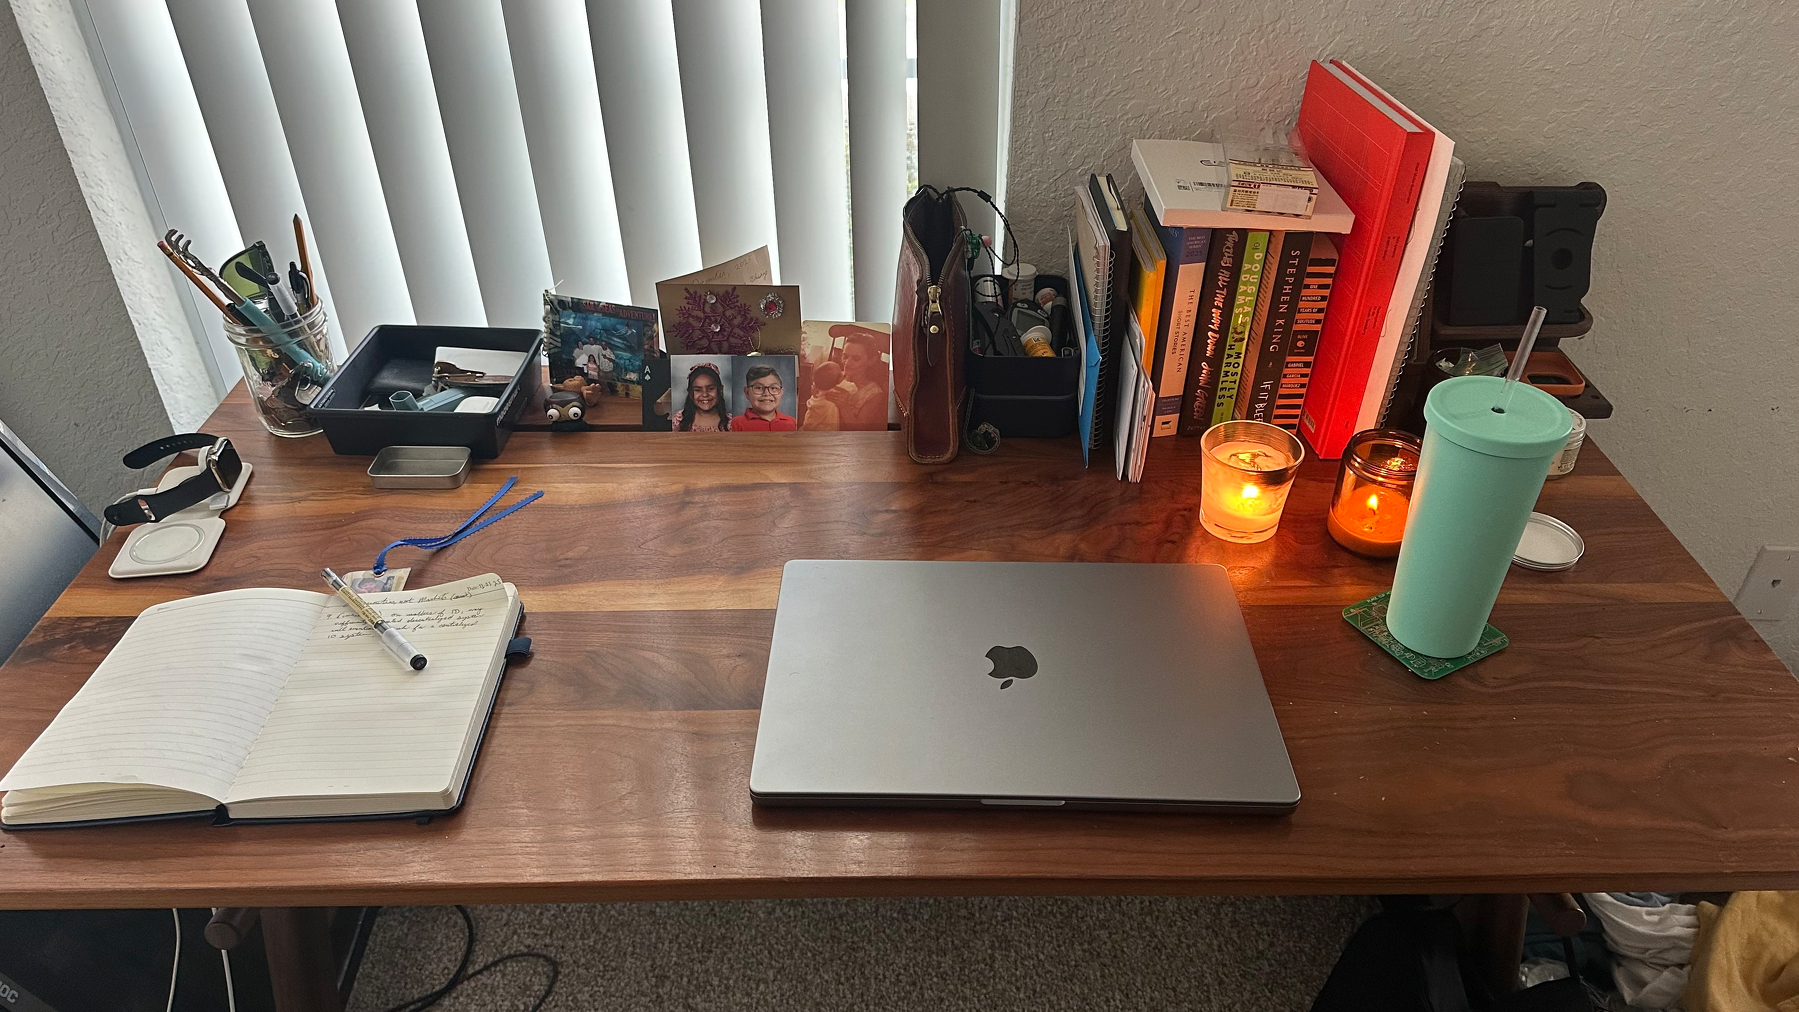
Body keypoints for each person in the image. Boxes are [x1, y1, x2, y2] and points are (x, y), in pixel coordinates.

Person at [839, 331, 889, 430]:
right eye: (845, 356)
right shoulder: (836, 376)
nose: (847, 363)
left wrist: (844, 406)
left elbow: (860, 428)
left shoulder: (874, 393)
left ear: (871, 361)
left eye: (856, 358)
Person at [732, 363, 798, 431]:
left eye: (773, 388)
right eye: (759, 388)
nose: (766, 393)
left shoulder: (792, 423)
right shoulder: (735, 424)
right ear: (747, 393)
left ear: (781, 392)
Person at [673, 363, 729, 432]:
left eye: (710, 389)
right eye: (697, 390)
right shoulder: (679, 420)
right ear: (690, 393)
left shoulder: (730, 422)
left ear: (720, 390)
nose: (705, 394)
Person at [802, 361, 850, 431]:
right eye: (840, 373)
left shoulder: (818, 391)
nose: (843, 373)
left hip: (809, 426)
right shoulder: (838, 390)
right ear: (840, 379)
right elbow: (852, 387)